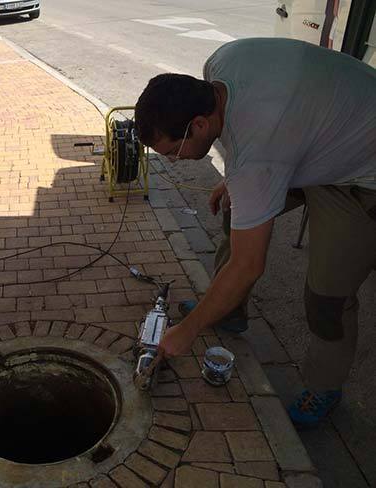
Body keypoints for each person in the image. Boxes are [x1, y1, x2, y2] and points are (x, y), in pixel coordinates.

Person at [134, 37, 376, 428]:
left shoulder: (258, 154)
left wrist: (186, 334)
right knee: (237, 211)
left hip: (361, 177)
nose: (174, 162)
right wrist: (240, 183)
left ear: (198, 124)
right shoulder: (220, 65)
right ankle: (229, 310)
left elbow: (250, 264)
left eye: (173, 152)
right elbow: (260, 148)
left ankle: (325, 386)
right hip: (315, 142)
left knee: (327, 296)